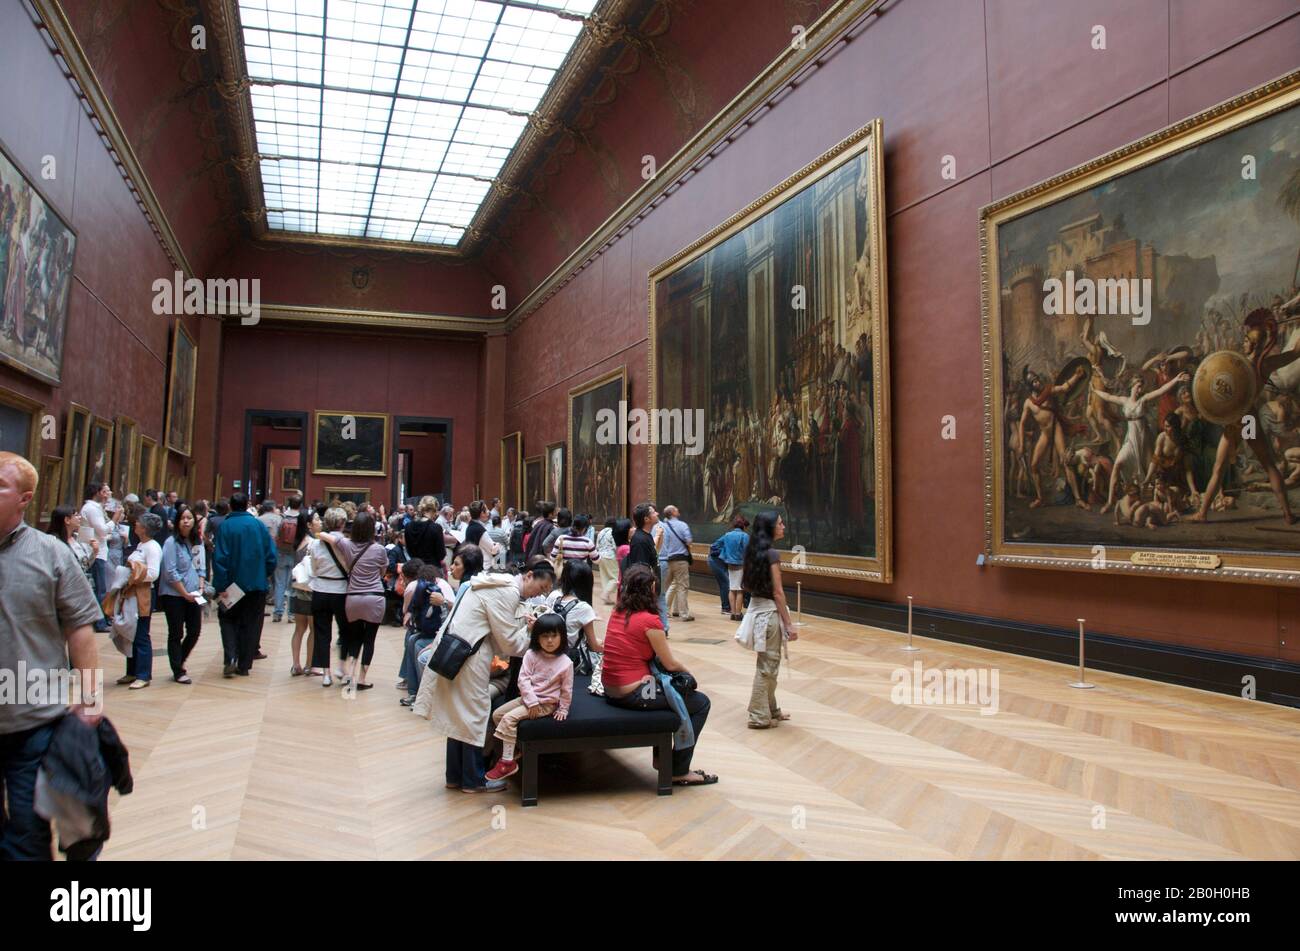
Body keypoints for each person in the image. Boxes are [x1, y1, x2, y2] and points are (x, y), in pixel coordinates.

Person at [0, 452, 104, 860]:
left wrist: (91, 697)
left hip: (34, 719)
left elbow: (80, 627)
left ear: (24, 499)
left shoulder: (51, 554)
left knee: (26, 833)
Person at [413, 559, 557, 793]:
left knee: (457, 714)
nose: (536, 595)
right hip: (470, 656)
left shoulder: (493, 582)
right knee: (473, 715)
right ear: (529, 575)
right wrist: (530, 629)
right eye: (541, 588)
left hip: (455, 650)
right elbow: (509, 644)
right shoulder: (508, 591)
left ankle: (455, 776)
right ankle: (473, 780)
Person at [602, 565, 716, 786]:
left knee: (668, 696)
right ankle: (679, 770)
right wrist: (690, 674)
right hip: (633, 692)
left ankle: (662, 758)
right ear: (651, 589)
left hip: (611, 688)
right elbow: (670, 663)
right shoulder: (649, 621)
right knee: (700, 703)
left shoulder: (618, 612)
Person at [484, 613, 573, 782]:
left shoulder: (566, 662)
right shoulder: (531, 655)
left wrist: (563, 708)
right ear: (537, 637)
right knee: (497, 715)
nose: (549, 641)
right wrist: (530, 701)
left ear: (562, 636)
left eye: (554, 635)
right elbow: (523, 679)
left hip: (546, 704)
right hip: (527, 699)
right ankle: (516, 748)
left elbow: (567, 689)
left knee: (509, 719)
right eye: (545, 636)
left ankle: (507, 761)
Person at [735, 512, 797, 729]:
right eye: (780, 523)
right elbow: (778, 593)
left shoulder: (754, 551)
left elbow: (748, 586)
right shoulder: (771, 554)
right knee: (767, 667)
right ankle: (758, 716)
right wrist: (789, 623)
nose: (783, 526)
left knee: (770, 664)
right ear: (770, 527)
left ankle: (771, 709)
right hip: (770, 616)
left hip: (760, 613)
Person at [318, 511, 388, 691]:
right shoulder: (379, 549)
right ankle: (362, 678)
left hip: (353, 598)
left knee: (355, 637)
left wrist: (321, 531)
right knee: (370, 640)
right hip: (374, 597)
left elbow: (325, 535)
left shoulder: (346, 544)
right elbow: (382, 572)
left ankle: (349, 673)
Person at [212, 492, 277, 678]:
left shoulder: (225, 526)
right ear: (247, 505)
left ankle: (231, 657)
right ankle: (245, 664)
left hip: (231, 585)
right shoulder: (258, 526)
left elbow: (220, 558)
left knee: (228, 620)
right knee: (251, 623)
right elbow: (271, 556)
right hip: (256, 585)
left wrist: (221, 585)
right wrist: (263, 574)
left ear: (231, 506)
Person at [159, 506, 204, 684]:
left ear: (194, 521)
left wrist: (200, 587)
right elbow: (170, 571)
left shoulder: (196, 542)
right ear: (177, 521)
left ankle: (179, 660)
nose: (186, 521)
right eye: (182, 518)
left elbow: (201, 566)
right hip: (174, 595)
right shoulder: (171, 543)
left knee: (194, 631)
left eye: (189, 518)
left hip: (193, 593)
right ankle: (178, 670)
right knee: (176, 632)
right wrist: (184, 593)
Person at [118, 512, 163, 690]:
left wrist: (133, 573)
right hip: (131, 593)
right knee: (130, 632)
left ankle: (143, 674)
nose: (135, 524)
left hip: (142, 594)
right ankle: (132, 671)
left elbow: (153, 573)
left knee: (141, 634)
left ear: (144, 528)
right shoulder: (141, 545)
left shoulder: (152, 547)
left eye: (138, 523)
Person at [308, 507, 349, 686]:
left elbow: (314, 569)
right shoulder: (346, 543)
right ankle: (341, 666)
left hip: (321, 590)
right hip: (341, 590)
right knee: (346, 631)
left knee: (322, 633)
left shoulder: (316, 544)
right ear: (342, 524)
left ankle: (326, 674)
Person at [550, 558, 603, 695]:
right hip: (571, 661)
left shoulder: (553, 596)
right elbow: (594, 646)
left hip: (548, 654)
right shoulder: (583, 607)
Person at [288, 509, 321, 676]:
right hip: (310, 590)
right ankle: (309, 664)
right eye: (316, 519)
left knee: (299, 629)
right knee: (313, 629)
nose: (319, 521)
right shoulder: (314, 542)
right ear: (309, 524)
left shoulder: (299, 540)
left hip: (297, 589)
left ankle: (295, 664)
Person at [624, 502, 667, 631]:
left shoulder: (646, 536)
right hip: (646, 590)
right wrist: (649, 589)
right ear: (646, 519)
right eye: (653, 512)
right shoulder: (640, 540)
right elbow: (640, 570)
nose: (657, 513)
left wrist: (659, 536)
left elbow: (653, 555)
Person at [80, 482, 113, 632]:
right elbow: (102, 531)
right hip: (96, 552)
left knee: (101, 588)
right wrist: (115, 520)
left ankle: (102, 619)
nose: (107, 494)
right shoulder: (92, 508)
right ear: (97, 492)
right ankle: (99, 623)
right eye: (104, 491)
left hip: (99, 550)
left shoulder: (95, 508)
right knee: (100, 588)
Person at [658, 504, 694, 621]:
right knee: (682, 586)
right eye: (676, 509)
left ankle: (665, 611)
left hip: (667, 559)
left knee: (667, 586)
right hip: (680, 559)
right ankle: (684, 614)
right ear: (673, 513)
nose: (678, 510)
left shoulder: (663, 526)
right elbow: (688, 541)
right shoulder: (682, 525)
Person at [270, 495, 303, 623]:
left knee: (279, 583)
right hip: (295, 553)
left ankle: (278, 613)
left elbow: (276, 536)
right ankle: (291, 614)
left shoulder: (282, 518)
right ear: (300, 505)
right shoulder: (301, 519)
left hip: (281, 552)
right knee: (292, 584)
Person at [47, 505, 96, 590]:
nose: (79, 517)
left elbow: (84, 565)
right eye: (76, 515)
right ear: (67, 520)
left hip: (80, 587)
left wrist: (94, 552)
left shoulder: (76, 538)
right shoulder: (53, 542)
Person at [404, 495, 447, 578]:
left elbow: (408, 550)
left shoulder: (408, 526)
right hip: (432, 571)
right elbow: (441, 554)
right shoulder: (436, 528)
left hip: (414, 571)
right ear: (434, 510)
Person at [717, 515, 750, 620]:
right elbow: (747, 551)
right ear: (743, 526)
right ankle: (738, 613)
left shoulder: (727, 535)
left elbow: (716, 545)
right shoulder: (744, 536)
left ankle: (732, 612)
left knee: (732, 588)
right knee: (740, 590)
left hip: (730, 564)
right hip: (741, 564)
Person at [595, 517, 618, 604]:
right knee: (615, 577)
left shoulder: (601, 532)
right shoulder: (612, 532)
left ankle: (607, 598)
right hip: (610, 556)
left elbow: (597, 546)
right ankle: (605, 594)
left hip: (600, 556)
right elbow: (615, 546)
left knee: (605, 578)